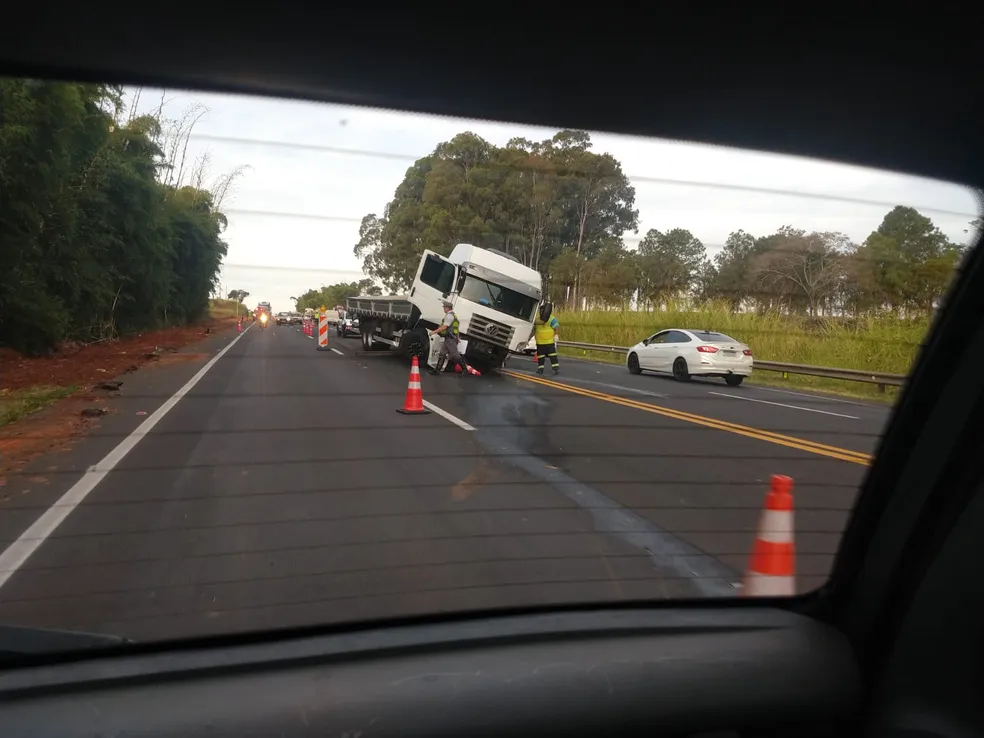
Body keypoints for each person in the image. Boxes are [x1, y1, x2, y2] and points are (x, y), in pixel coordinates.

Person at [428, 301, 466, 376]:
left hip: (450, 339)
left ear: (447, 308)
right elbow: (456, 328)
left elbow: (444, 327)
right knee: (442, 353)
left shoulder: (449, 316)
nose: (443, 309)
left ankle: (465, 370)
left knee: (455, 355)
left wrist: (433, 332)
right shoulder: (454, 316)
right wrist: (458, 337)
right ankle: (437, 370)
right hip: (449, 338)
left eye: (444, 307)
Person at [534, 301, 560, 375]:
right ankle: (540, 369)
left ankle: (555, 368)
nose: (541, 312)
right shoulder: (537, 320)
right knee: (540, 357)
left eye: (543, 310)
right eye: (540, 311)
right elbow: (534, 330)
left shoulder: (552, 319)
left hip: (549, 342)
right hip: (540, 343)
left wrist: (556, 335)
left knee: (553, 356)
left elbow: (556, 327)